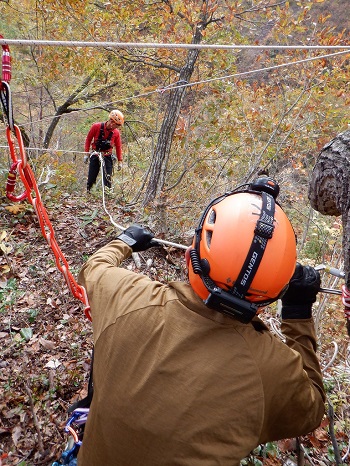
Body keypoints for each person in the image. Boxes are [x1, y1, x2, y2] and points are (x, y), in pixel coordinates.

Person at [77, 177, 325, 466]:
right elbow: (313, 408)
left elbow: (93, 269)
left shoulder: (129, 300)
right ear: (274, 295)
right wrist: (298, 312)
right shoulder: (271, 371)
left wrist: (126, 240)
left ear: (188, 258)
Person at [84, 109, 124, 192]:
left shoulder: (116, 133)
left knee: (107, 178)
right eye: (117, 126)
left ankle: (107, 195)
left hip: (107, 156)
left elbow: (118, 146)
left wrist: (120, 161)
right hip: (95, 154)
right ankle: (89, 193)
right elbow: (88, 139)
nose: (117, 128)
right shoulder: (96, 126)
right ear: (112, 122)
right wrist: (86, 153)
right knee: (91, 177)